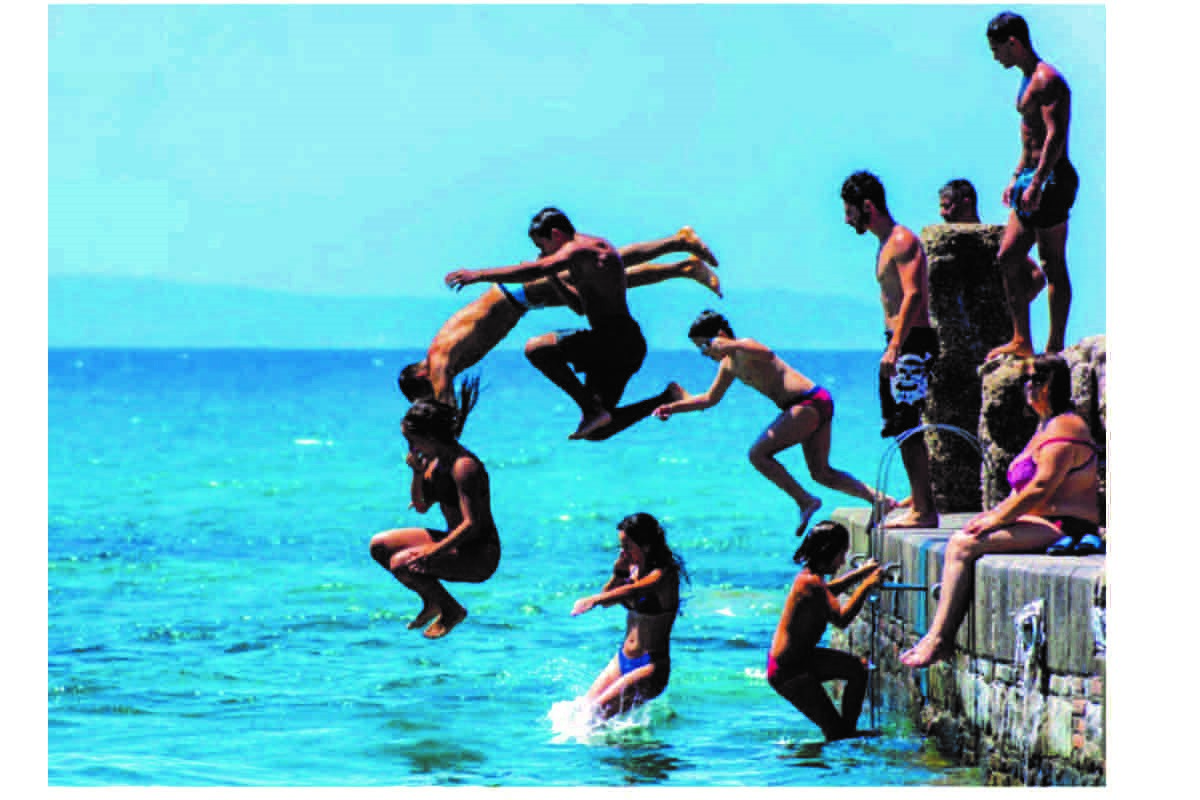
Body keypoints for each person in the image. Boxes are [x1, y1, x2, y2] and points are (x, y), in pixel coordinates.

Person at [900, 354, 1102, 668]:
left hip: (1066, 526)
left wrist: (997, 518)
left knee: (963, 545)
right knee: (966, 534)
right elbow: (1023, 492)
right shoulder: (1045, 426)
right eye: (1027, 380)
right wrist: (992, 515)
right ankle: (935, 635)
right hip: (1040, 519)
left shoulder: (1066, 426)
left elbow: (1040, 487)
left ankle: (939, 639)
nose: (1028, 387)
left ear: (1051, 384)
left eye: (1035, 379)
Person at [402, 226, 721, 412]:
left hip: (513, 293)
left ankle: (678, 242)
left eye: (425, 393)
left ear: (420, 378)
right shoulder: (444, 357)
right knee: (608, 283)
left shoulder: (438, 359)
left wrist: (430, 452)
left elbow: (444, 404)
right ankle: (683, 268)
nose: (434, 389)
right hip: (522, 302)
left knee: (604, 262)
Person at [652, 310, 896, 537]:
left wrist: (732, 344)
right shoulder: (728, 366)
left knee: (758, 455)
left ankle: (805, 501)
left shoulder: (745, 348)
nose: (705, 354)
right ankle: (880, 499)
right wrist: (672, 408)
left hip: (807, 402)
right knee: (821, 473)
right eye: (700, 350)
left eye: (705, 345)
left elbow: (765, 352)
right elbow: (709, 399)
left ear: (721, 336)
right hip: (814, 403)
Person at [841, 170, 939, 529]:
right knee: (900, 424)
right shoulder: (884, 244)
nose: (847, 219)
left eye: (850, 211)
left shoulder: (901, 241)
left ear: (868, 206)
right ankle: (920, 496)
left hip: (910, 341)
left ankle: (924, 512)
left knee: (907, 423)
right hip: (900, 341)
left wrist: (896, 346)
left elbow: (913, 293)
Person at [985, 10, 1078, 360]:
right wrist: (1016, 177)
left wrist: (1038, 181)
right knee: (1008, 256)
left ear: (1014, 42)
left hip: (1051, 179)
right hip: (1030, 177)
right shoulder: (1025, 79)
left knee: (1052, 263)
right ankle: (1021, 338)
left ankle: (1054, 345)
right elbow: (1030, 139)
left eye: (997, 49)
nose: (995, 57)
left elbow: (1054, 136)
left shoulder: (1047, 79)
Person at [368, 399, 500, 639]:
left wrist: (434, 552)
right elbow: (420, 506)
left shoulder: (464, 466)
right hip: (455, 542)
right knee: (379, 545)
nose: (410, 447)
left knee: (402, 564)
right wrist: (418, 474)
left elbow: (472, 525)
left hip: (480, 555)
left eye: (412, 440)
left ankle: (451, 610)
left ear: (429, 437)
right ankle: (432, 601)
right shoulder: (434, 462)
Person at [768, 520, 883, 741]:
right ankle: (843, 736)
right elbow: (841, 618)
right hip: (789, 671)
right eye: (841, 554)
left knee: (857, 669)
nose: (841, 562)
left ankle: (848, 731)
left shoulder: (809, 578)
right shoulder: (811, 584)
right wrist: (866, 585)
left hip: (801, 659)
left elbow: (829, 591)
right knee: (834, 731)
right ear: (827, 552)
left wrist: (861, 573)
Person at [570, 512, 688, 721]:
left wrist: (594, 599)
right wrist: (618, 574)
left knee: (594, 716)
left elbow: (635, 592)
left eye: (627, 547)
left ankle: (637, 753)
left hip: (650, 667)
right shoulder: (632, 569)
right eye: (620, 547)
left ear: (646, 545)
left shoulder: (664, 574)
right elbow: (609, 598)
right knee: (582, 711)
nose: (623, 552)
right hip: (623, 659)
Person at [938, 177, 1046, 310]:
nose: (942, 213)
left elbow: (1037, 276)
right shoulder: (945, 246)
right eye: (941, 207)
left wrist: (1010, 309)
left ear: (966, 204)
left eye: (947, 206)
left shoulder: (992, 240)